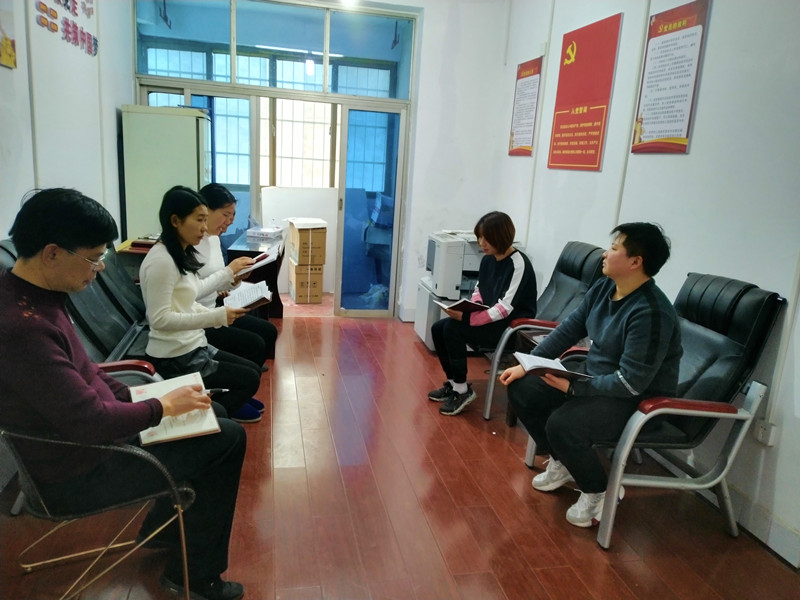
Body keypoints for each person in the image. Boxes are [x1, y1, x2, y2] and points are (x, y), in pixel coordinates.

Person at [0, 188, 246, 600]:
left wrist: (149, 398)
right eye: (93, 258)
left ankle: (162, 529)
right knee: (227, 438)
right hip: (78, 472)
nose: (99, 269)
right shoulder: (25, 329)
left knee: (212, 410)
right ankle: (195, 576)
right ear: (52, 253)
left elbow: (88, 372)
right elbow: (91, 422)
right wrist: (160, 406)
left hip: (91, 441)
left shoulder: (33, 297)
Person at [499, 222, 682, 528]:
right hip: (595, 382)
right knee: (523, 388)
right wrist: (529, 364)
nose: (605, 254)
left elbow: (631, 382)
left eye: (614, 248)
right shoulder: (604, 288)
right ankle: (564, 462)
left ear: (636, 262)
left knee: (563, 424)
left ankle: (598, 490)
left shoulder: (651, 312)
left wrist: (574, 389)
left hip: (636, 401)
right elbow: (569, 329)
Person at [139, 185, 263, 424]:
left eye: (206, 220)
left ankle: (215, 409)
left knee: (252, 371)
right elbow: (159, 319)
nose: (205, 228)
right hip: (174, 357)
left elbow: (191, 297)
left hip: (193, 345)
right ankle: (206, 420)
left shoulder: (180, 253)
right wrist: (216, 317)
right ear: (175, 221)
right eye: (199, 220)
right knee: (249, 379)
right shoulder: (162, 261)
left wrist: (219, 313)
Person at [428, 211, 538, 416]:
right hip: (491, 320)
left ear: (502, 237)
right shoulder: (488, 260)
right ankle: (454, 384)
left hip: (511, 328)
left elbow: (504, 308)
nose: (481, 243)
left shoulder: (519, 264)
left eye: (487, 238)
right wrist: (472, 306)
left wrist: (467, 317)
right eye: (479, 237)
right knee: (438, 328)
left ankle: (462, 391)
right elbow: (480, 289)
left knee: (452, 329)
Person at [196, 183, 278, 375]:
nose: (230, 221)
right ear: (206, 210)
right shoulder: (191, 244)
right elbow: (192, 290)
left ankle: (250, 368)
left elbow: (214, 279)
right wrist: (227, 274)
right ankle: (248, 371)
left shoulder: (214, 239)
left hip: (215, 305)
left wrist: (233, 281)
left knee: (268, 331)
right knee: (256, 343)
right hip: (203, 317)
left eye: (232, 215)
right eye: (226, 215)